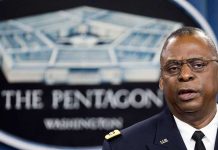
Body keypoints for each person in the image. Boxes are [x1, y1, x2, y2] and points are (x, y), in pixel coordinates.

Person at [102, 26, 218, 150]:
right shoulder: (123, 146)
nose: (185, 75)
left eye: (198, 65)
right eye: (173, 68)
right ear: (161, 81)